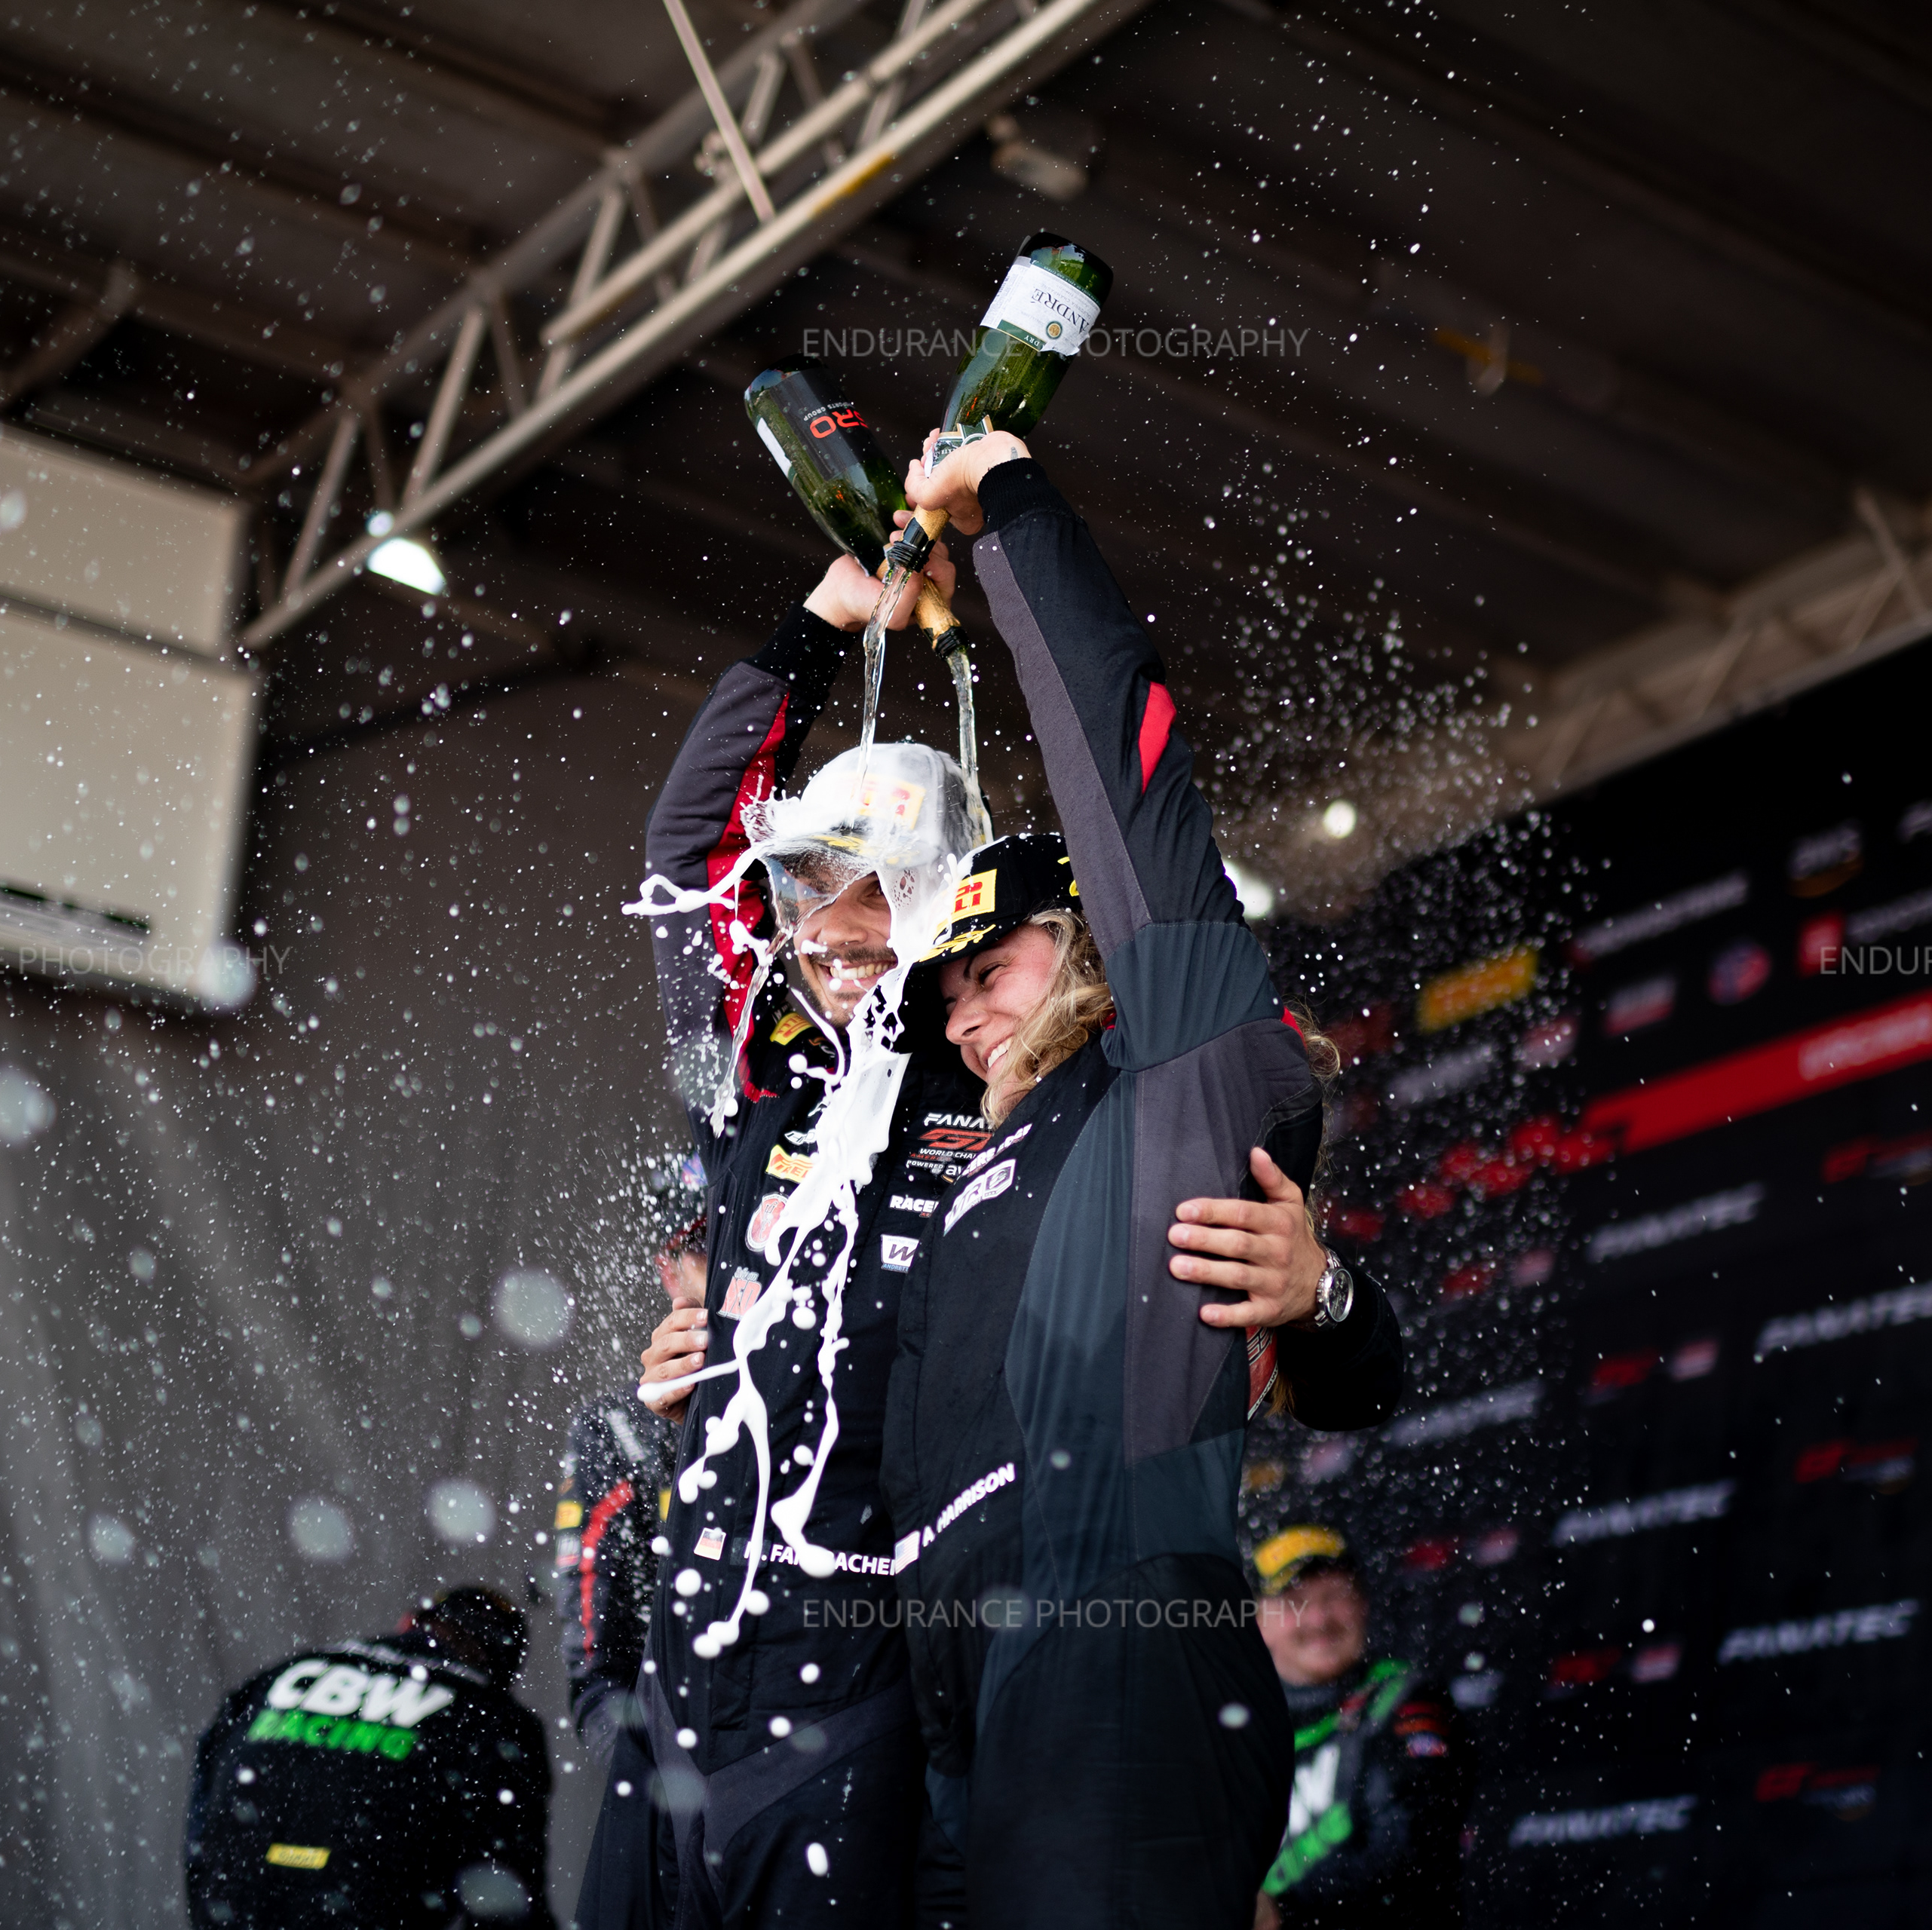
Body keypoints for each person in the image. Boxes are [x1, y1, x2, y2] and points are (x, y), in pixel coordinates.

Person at [879, 437, 1405, 1930]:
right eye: (946, 997)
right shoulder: (959, 1156)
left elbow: (1127, 773)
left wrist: (1009, 510)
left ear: (1086, 949)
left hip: (1115, 1633)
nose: (963, 1015)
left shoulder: (1169, 1064)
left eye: (992, 970)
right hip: (944, 1688)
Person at [613, 545, 995, 1930]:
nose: (834, 926)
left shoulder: (1001, 1070)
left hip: (871, 1649)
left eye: (876, 889)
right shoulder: (754, 1057)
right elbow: (687, 857)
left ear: (944, 905)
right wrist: (825, 619)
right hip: (698, 1638)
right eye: (812, 884)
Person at [185, 1586, 553, 1928]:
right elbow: (506, 1894)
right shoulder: (491, 1717)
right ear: (501, 1670)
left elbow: (201, 1816)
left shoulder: (283, 1674)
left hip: (234, 1909)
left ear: (410, 1623)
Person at [561, 1221, 704, 1930]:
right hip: (677, 1755)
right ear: (668, 1270)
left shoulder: (833, 1378)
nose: (730, 1255)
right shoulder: (618, 1427)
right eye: (703, 1242)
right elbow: (593, 1666)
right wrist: (651, 1776)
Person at [1250, 1528, 1469, 1930]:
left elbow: (1414, 1852)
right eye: (1295, 1603)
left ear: (1362, 1602)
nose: (1318, 1619)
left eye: (1334, 1596)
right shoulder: (1228, 1734)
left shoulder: (1405, 1699)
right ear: (1258, 1621)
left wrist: (1282, 1909)